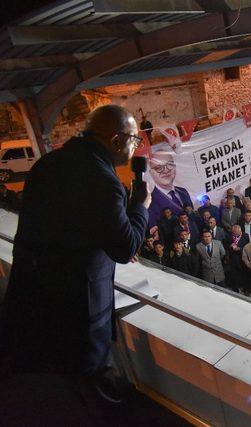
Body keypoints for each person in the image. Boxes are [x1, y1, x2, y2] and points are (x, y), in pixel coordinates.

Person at [5, 105, 150, 381]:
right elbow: (125, 247)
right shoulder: (104, 182)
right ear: (116, 141)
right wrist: (141, 206)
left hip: (32, 298)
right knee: (81, 386)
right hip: (77, 315)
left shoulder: (47, 164)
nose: (136, 147)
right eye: (135, 140)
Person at [147, 148, 193, 227]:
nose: (166, 170)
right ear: (151, 173)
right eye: (159, 168)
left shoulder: (183, 191)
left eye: (169, 164)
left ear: (174, 166)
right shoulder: (150, 200)